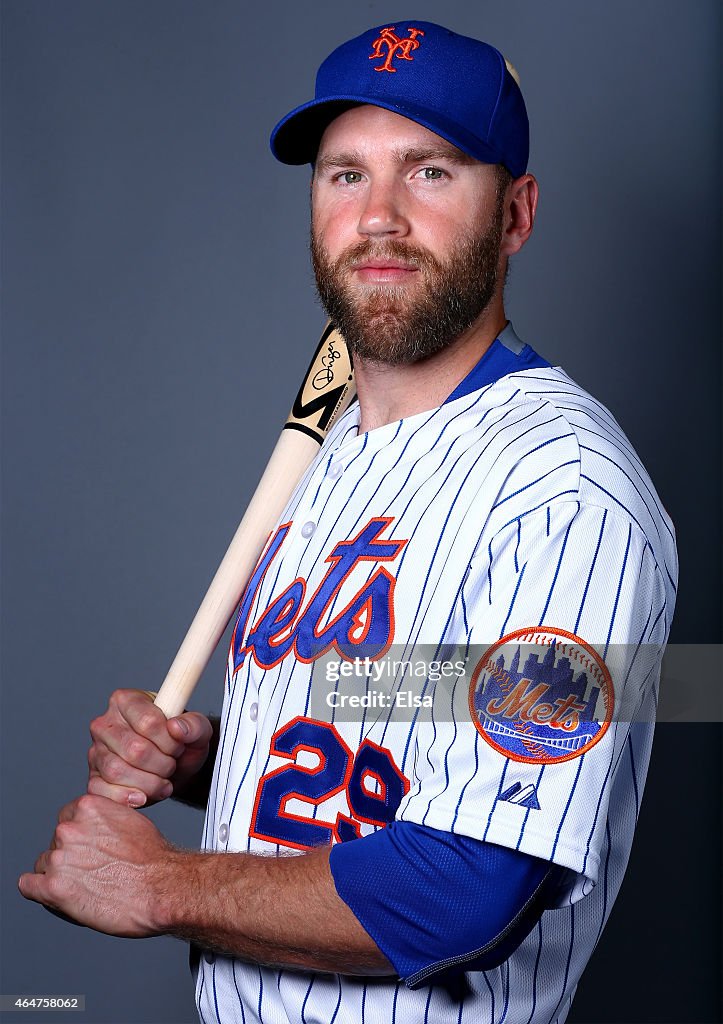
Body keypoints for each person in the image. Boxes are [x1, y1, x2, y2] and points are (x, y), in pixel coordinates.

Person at [19, 20, 677, 1024]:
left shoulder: (567, 492)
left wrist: (162, 884)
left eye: (430, 173)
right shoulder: (329, 458)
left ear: (516, 214)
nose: (377, 217)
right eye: (343, 175)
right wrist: (214, 758)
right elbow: (407, 727)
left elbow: (471, 886)